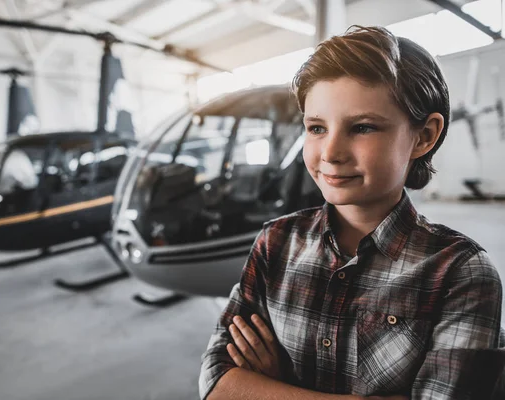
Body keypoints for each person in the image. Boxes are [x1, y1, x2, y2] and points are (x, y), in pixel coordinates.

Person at [199, 26, 504, 400]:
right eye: (316, 128)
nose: (330, 153)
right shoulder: (275, 242)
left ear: (423, 137)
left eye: (361, 127)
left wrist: (275, 388)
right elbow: (216, 383)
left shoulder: (460, 273)